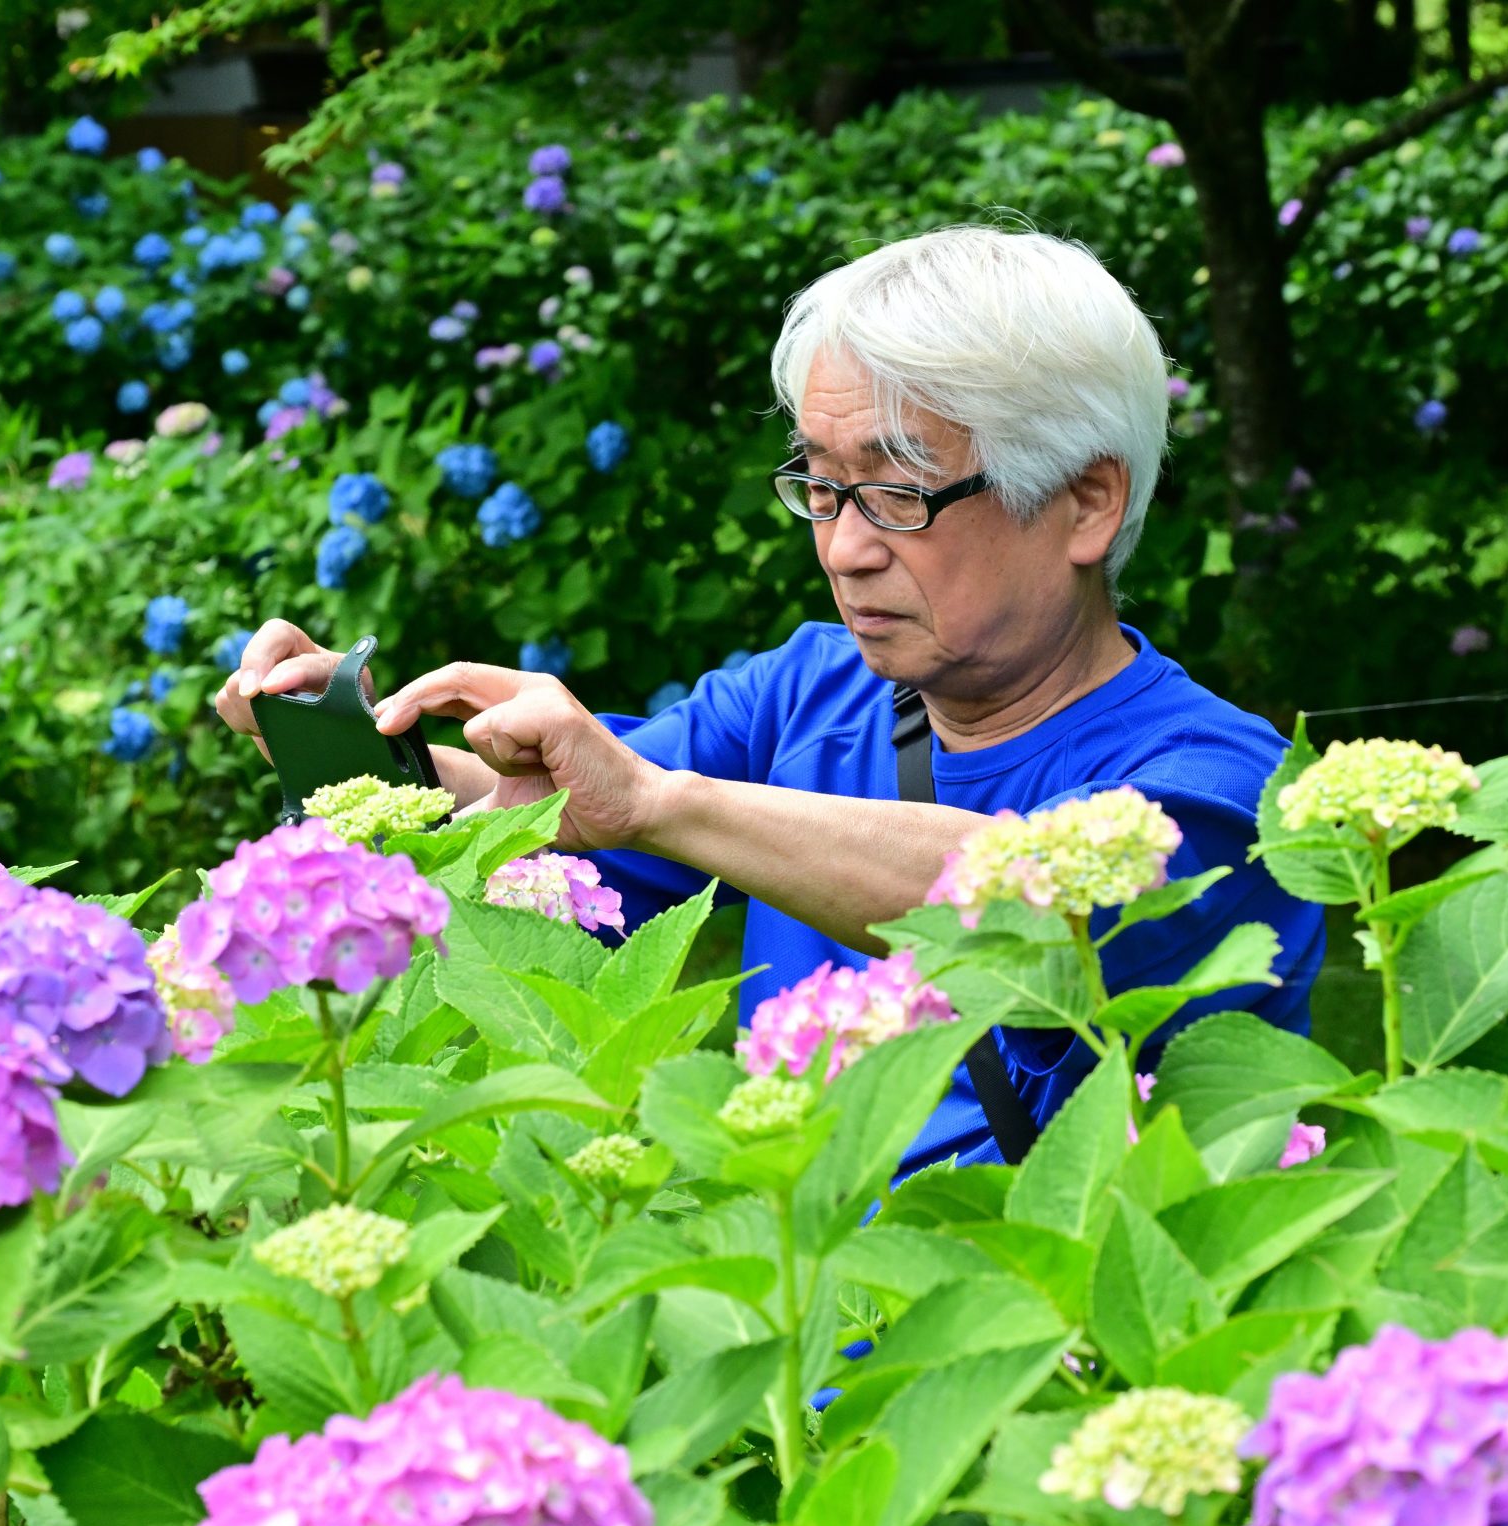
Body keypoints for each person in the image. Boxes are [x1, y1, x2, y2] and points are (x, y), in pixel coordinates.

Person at [215, 226, 1324, 1172]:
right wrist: (362, 756)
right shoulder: (807, 690)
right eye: (820, 484)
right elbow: (556, 824)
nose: (843, 547)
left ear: (1085, 501)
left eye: (895, 492)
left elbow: (1033, 900)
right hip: (774, 1360)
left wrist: (659, 801)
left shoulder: (1225, 788)